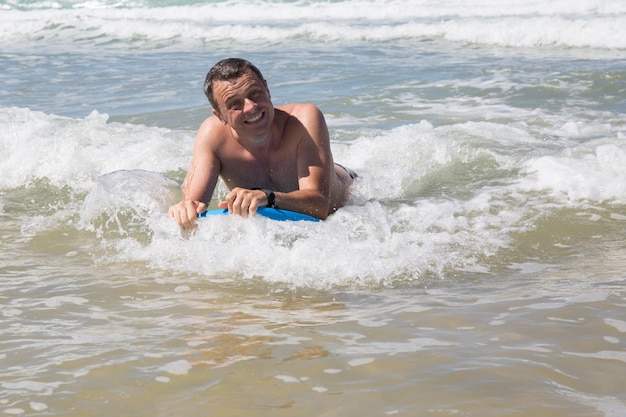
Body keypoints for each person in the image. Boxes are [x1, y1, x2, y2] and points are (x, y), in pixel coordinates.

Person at [168, 58, 356, 229]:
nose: (250, 107)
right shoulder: (212, 134)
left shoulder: (304, 119)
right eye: (235, 104)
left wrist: (267, 197)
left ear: (267, 89)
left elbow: (321, 207)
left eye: (255, 93)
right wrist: (186, 209)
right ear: (220, 116)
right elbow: (194, 203)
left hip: (346, 190)